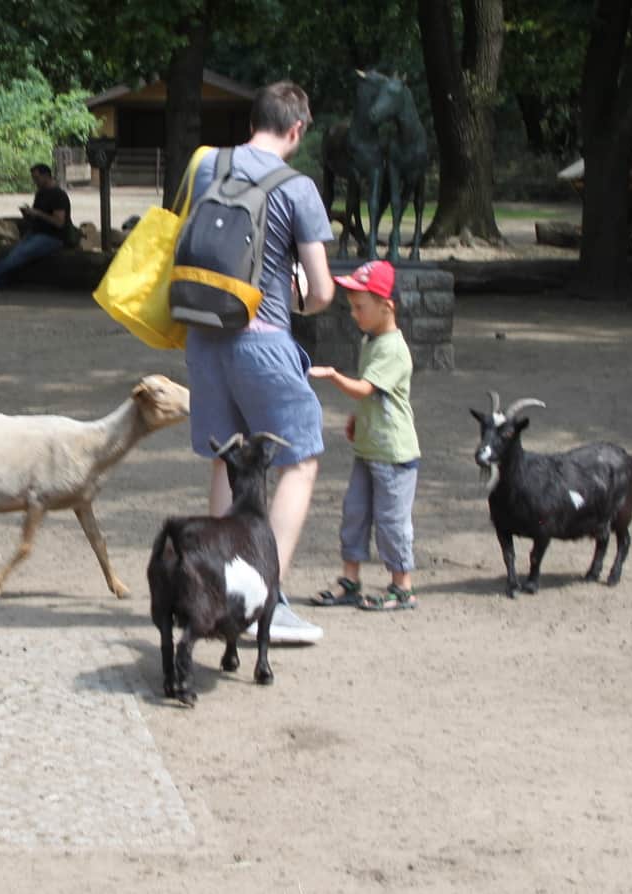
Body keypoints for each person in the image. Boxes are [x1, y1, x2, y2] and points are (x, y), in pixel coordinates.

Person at [182, 81, 336, 644]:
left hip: (203, 336)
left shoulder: (207, 166)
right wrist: (297, 292)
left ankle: (220, 597)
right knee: (300, 458)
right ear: (296, 130)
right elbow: (320, 292)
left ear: (255, 120)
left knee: (226, 462)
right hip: (263, 341)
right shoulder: (297, 187)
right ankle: (265, 599)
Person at [308, 260, 419, 611]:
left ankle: (402, 587)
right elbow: (374, 395)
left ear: (387, 306)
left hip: (394, 453)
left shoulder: (393, 348)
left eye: (360, 307)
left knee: (391, 520)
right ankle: (350, 581)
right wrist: (359, 418)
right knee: (354, 512)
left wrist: (332, 375)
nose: (354, 315)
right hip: (370, 448)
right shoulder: (371, 341)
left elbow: (364, 387)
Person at [0, 163, 71, 290]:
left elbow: (59, 222)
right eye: (33, 179)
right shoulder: (40, 193)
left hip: (53, 237)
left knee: (19, 255)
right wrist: (28, 214)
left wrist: (38, 213)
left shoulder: (59, 195)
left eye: (37, 178)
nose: (35, 182)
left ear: (46, 176)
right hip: (36, 232)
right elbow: (37, 216)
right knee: (15, 254)